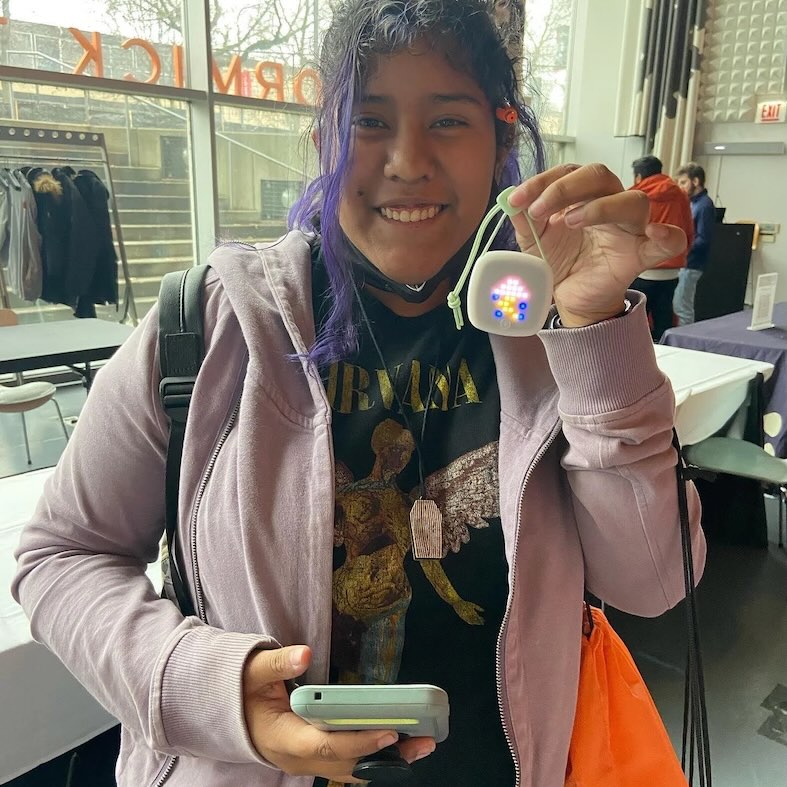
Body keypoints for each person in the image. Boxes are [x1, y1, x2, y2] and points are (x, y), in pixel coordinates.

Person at [12, 2, 705, 786]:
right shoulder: (210, 324)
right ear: (323, 143)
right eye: (368, 122)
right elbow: (61, 556)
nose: (407, 160)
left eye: (447, 122)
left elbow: (652, 580)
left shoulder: (555, 332)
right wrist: (207, 684)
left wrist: (597, 330)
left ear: (501, 143)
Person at [629, 155, 694, 341]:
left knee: (635, 320)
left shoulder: (636, 195)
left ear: (639, 176)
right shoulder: (680, 194)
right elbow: (689, 230)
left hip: (644, 269)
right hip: (672, 269)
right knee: (664, 317)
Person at [673, 162, 716, 325]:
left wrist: (681, 247)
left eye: (683, 182)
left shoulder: (704, 205)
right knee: (679, 306)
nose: (680, 187)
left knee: (682, 308)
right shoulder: (693, 203)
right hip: (686, 262)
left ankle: (683, 345)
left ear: (696, 181)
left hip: (692, 263)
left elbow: (703, 239)